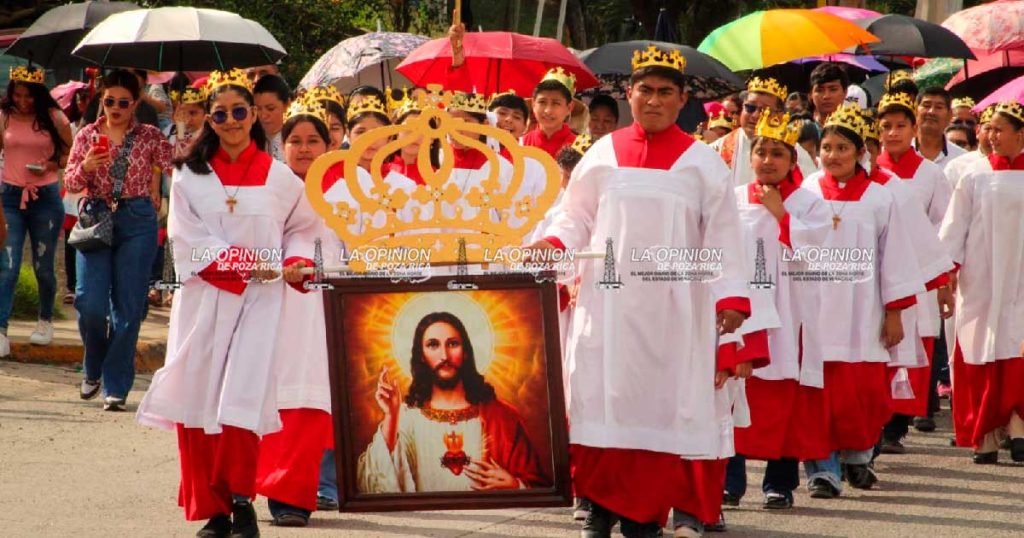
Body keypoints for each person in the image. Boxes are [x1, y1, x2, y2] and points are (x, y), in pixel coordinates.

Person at [528, 45, 752, 538]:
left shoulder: (702, 164)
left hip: (674, 309)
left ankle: (643, 514)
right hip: (606, 306)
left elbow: (722, 234)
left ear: (682, 98)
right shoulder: (602, 154)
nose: (653, 101)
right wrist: (552, 243)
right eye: (644, 91)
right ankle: (598, 507)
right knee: (599, 399)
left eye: (664, 92)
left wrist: (731, 297)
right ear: (629, 94)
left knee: (657, 407)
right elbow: (577, 216)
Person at [135, 68, 321, 538]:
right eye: (221, 113)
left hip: (260, 303)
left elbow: (303, 227)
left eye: (241, 111)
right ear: (209, 121)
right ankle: (214, 511)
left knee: (240, 401)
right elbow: (184, 237)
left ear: (255, 114)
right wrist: (241, 262)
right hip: (204, 302)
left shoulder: (281, 179)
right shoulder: (187, 177)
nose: (232, 120)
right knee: (198, 402)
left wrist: (296, 260)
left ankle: (242, 503)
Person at [799, 104, 923, 497]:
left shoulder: (878, 197)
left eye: (841, 148)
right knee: (816, 394)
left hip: (862, 311)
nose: (832, 156)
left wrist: (894, 313)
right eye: (826, 148)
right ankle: (822, 470)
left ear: (858, 152)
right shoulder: (804, 192)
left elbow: (896, 257)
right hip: (815, 309)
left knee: (860, 396)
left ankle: (857, 456)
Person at [726, 111, 832, 512]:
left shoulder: (809, 203)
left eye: (777, 153)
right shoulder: (733, 200)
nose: (768, 160)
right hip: (745, 312)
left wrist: (782, 215)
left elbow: (818, 253)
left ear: (793, 160)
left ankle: (779, 483)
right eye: (761, 152)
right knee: (736, 394)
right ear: (750, 157)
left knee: (786, 402)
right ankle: (731, 482)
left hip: (791, 313)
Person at [63, 69, 172, 411]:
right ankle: (93, 365)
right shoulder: (87, 135)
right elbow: (69, 178)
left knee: (127, 310)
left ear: (135, 103)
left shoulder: (150, 135)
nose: (116, 108)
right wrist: (87, 164)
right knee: (89, 303)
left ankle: (116, 384)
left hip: (137, 218)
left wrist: (181, 130)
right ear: (102, 100)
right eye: (109, 101)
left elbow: (176, 165)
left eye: (124, 103)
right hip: (95, 215)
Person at [254, 95, 339, 527]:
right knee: (267, 399)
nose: (304, 148)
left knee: (309, 402)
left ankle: (295, 495)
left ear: (329, 145)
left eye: (313, 140)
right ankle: (262, 487)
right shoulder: (268, 184)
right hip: (270, 303)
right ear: (282, 146)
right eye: (295, 140)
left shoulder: (349, 189)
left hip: (324, 309)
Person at [358, 311, 551, 492]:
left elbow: (540, 486)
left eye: (452, 344)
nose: (444, 356)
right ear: (421, 356)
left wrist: (516, 486)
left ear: (465, 352)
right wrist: (391, 416)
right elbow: (373, 484)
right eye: (433, 345)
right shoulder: (406, 418)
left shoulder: (502, 417)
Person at [866, 98, 955, 453]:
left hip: (918, 270)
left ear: (913, 130)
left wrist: (943, 279)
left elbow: (944, 224)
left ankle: (898, 423)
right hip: (875, 270)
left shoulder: (931, 173)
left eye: (901, 126)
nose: (893, 133)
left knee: (915, 340)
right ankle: (877, 419)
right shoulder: (870, 173)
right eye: (885, 126)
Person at [940, 100, 1024, 465]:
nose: (990, 136)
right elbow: (953, 229)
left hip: (1020, 280)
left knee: (1016, 349)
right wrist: (947, 274)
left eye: (999, 129)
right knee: (978, 350)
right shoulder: (971, 177)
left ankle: (1018, 426)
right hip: (981, 279)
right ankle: (984, 435)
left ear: (1020, 135)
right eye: (986, 128)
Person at [0, 65, 73, 356]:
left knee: (44, 267)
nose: (22, 101)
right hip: (10, 196)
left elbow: (71, 150)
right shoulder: (4, 116)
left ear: (39, 96)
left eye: (28, 96)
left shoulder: (54, 118)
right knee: (8, 265)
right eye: (17, 95)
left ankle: (44, 319)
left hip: (45, 196)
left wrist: (54, 164)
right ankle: (2, 329)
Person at [711, 77, 817, 187]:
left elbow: (811, 192)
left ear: (779, 115)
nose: (755, 115)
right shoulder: (717, 149)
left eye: (765, 111)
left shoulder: (792, 151)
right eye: (750, 108)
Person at [522, 68, 576, 159]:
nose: (548, 110)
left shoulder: (580, 148)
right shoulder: (520, 144)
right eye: (542, 102)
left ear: (569, 108)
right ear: (533, 104)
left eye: (556, 103)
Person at [913, 88, 966, 169]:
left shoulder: (962, 158)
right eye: (926, 105)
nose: (931, 112)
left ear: (950, 115)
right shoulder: (898, 152)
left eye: (939, 107)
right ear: (916, 111)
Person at [253, 74, 290, 161]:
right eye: (258, 109)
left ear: (287, 104)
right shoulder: (250, 139)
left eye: (270, 109)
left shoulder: (296, 139)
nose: (263, 115)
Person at [305, 85, 346, 150]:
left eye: (334, 128)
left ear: (344, 130)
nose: (328, 136)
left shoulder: (353, 159)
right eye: (320, 128)